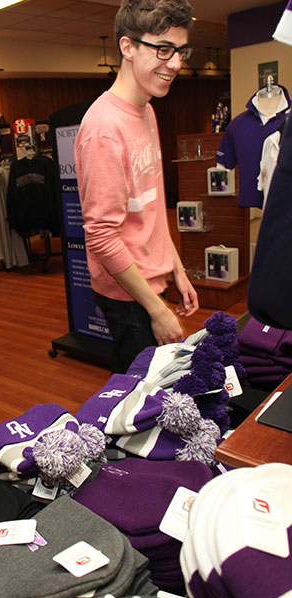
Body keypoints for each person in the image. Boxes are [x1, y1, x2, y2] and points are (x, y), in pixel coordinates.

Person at [74, 0, 199, 373]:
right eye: (163, 49)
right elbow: (100, 236)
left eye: (181, 50)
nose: (175, 63)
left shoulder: (146, 109)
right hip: (129, 296)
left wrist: (175, 268)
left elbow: (151, 206)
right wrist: (156, 310)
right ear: (127, 47)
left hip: (152, 281)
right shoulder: (103, 130)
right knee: (143, 404)